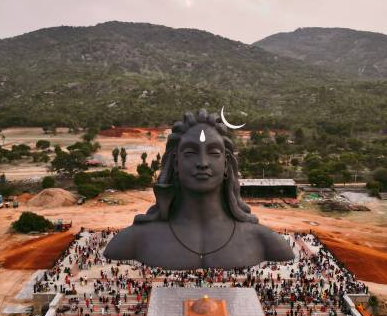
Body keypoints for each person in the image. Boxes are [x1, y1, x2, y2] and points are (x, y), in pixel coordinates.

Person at [104, 109, 294, 270]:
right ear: (175, 163)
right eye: (190, 153)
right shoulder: (133, 241)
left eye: (213, 153)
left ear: (227, 164)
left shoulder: (266, 242)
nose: (202, 163)